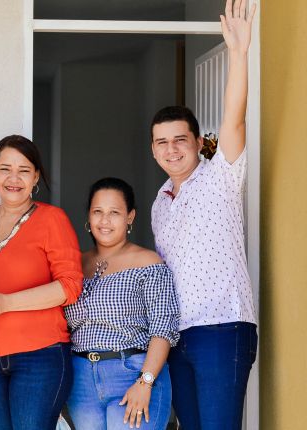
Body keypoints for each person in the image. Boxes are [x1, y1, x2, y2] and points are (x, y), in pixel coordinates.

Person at [150, 1, 258, 429]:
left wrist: (239, 52)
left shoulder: (220, 176)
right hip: (178, 334)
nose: (171, 149)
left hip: (222, 328)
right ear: (153, 150)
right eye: (162, 142)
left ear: (198, 142)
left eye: (180, 139)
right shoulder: (159, 202)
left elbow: (234, 119)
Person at [0, 135, 83, 430]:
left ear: (35, 176)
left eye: (24, 170)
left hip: (40, 357)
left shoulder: (52, 219)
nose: (13, 179)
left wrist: (6, 303)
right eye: (5, 169)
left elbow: (70, 286)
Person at [65, 177, 179, 430]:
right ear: (88, 217)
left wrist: (145, 382)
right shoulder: (74, 265)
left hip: (132, 373)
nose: (104, 221)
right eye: (98, 211)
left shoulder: (148, 262)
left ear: (130, 216)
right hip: (82, 381)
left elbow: (163, 329)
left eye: (114, 212)